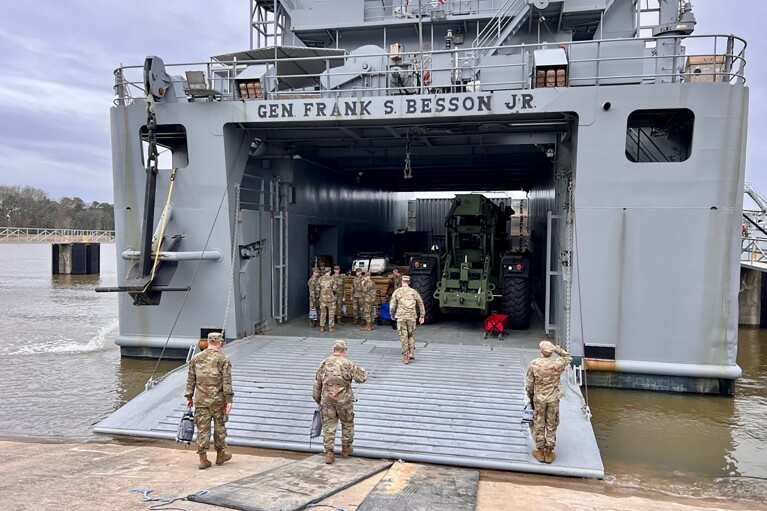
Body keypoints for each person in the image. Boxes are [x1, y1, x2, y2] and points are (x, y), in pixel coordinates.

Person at [312, 340, 368, 464]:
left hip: (327, 400)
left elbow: (317, 382)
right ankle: (346, 448)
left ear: (334, 349)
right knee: (347, 423)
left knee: (329, 426)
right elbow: (361, 378)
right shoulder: (348, 364)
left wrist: (317, 398)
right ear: (344, 351)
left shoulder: (324, 363)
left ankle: (329, 453)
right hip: (344, 400)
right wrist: (364, 371)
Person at [184, 331, 234, 469]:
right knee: (219, 427)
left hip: (200, 400)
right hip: (218, 401)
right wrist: (229, 400)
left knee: (202, 428)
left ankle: (203, 459)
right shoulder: (223, 360)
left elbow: (190, 380)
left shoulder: (196, 358)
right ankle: (220, 454)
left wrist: (189, 396)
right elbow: (226, 382)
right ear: (220, 342)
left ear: (208, 342)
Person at [525, 340, 572, 464]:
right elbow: (568, 357)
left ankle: (540, 451)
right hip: (553, 399)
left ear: (541, 351)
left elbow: (529, 384)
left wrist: (530, 396)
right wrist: (556, 349)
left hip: (539, 399)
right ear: (550, 352)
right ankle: (550, 452)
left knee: (539, 423)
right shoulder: (557, 364)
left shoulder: (534, 364)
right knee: (552, 424)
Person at [389, 275, 425, 364]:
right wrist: (422, 316)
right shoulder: (414, 292)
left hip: (401, 317)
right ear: (409, 282)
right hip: (412, 317)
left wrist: (392, 314)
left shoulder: (397, 292)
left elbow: (392, 305)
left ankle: (405, 357)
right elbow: (421, 303)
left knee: (403, 336)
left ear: (401, 281)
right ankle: (411, 352)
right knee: (411, 334)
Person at [318, 267, 338, 333]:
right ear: (330, 271)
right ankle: (331, 328)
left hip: (322, 299)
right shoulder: (332, 279)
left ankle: (322, 327)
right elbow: (335, 289)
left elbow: (317, 289)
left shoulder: (320, 279)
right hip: (331, 299)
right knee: (331, 314)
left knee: (322, 313)